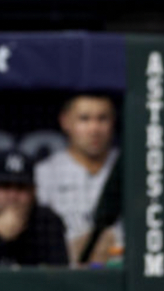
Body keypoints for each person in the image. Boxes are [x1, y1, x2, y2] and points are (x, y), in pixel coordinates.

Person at [35, 94, 122, 265]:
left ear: (113, 121)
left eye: (102, 119)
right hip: (65, 276)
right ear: (65, 121)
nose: (94, 129)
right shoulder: (45, 173)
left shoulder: (130, 167)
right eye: (84, 119)